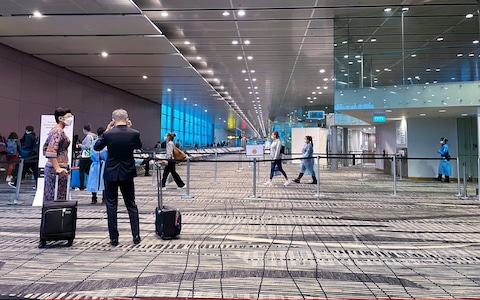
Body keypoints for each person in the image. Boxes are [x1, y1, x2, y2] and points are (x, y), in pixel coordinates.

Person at [94, 108, 142, 246]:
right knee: (131, 204)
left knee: (111, 205)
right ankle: (136, 235)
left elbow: (97, 147)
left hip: (110, 173)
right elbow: (138, 146)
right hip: (127, 172)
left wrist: (107, 131)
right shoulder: (134, 133)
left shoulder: (108, 134)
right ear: (127, 120)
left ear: (113, 120)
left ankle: (114, 238)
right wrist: (130, 129)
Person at [43, 107, 72, 202]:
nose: (70, 118)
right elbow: (51, 151)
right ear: (60, 118)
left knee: (55, 195)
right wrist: (57, 168)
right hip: (56, 169)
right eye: (68, 116)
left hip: (57, 167)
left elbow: (45, 148)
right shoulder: (58, 131)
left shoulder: (55, 130)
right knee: (56, 196)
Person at [87, 127, 107, 204]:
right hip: (96, 163)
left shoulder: (104, 142)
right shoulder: (95, 142)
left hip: (103, 163)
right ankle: (94, 197)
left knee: (104, 181)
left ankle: (104, 198)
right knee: (94, 181)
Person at [77, 123, 97, 190]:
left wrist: (80, 145)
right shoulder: (95, 136)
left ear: (84, 129)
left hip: (85, 156)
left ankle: (82, 186)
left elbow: (87, 146)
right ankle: (92, 183)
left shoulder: (88, 136)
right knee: (88, 170)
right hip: (91, 155)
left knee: (82, 171)